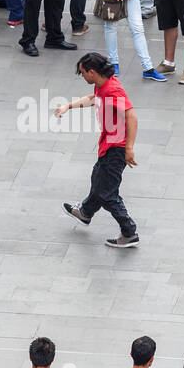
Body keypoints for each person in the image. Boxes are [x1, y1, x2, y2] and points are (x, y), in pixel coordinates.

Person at [57, 52, 140, 248]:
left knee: (107, 194)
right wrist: (68, 106)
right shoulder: (102, 86)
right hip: (108, 145)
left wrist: (129, 148)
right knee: (98, 180)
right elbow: (93, 98)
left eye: (82, 73)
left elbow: (132, 118)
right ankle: (85, 212)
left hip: (116, 149)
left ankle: (129, 232)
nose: (82, 76)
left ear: (92, 72)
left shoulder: (112, 90)